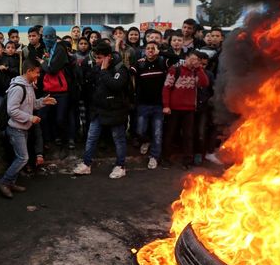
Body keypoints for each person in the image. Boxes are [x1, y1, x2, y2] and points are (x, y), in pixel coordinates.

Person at [0, 60, 56, 198]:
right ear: (29, 71)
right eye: (37, 72)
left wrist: (42, 102)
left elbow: (31, 105)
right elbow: (12, 110)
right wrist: (30, 118)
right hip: (16, 129)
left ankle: (10, 182)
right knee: (23, 158)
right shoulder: (18, 88)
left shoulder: (28, 86)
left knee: (20, 157)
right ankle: (5, 182)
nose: (38, 75)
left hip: (23, 129)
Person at [73, 43, 131, 179]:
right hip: (98, 109)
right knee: (91, 137)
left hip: (116, 110)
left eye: (99, 58)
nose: (97, 61)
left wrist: (104, 71)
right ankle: (86, 164)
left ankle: (120, 166)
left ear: (108, 57)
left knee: (119, 139)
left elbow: (115, 85)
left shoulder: (120, 69)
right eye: (95, 58)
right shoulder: (96, 67)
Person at [162, 50, 209, 169]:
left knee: (188, 135)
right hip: (174, 109)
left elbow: (204, 83)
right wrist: (166, 105)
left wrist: (199, 69)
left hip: (189, 109)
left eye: (197, 60)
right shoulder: (175, 70)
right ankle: (166, 158)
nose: (194, 62)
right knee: (170, 134)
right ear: (186, 58)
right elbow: (166, 88)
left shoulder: (196, 72)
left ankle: (187, 160)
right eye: (192, 59)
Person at [132, 41, 170, 169]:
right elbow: (129, 74)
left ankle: (154, 157)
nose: (150, 50)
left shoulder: (162, 62)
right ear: (144, 50)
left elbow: (176, 58)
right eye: (148, 48)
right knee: (140, 130)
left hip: (159, 105)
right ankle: (146, 141)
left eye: (153, 48)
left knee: (158, 133)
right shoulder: (140, 63)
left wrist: (162, 53)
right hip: (143, 104)